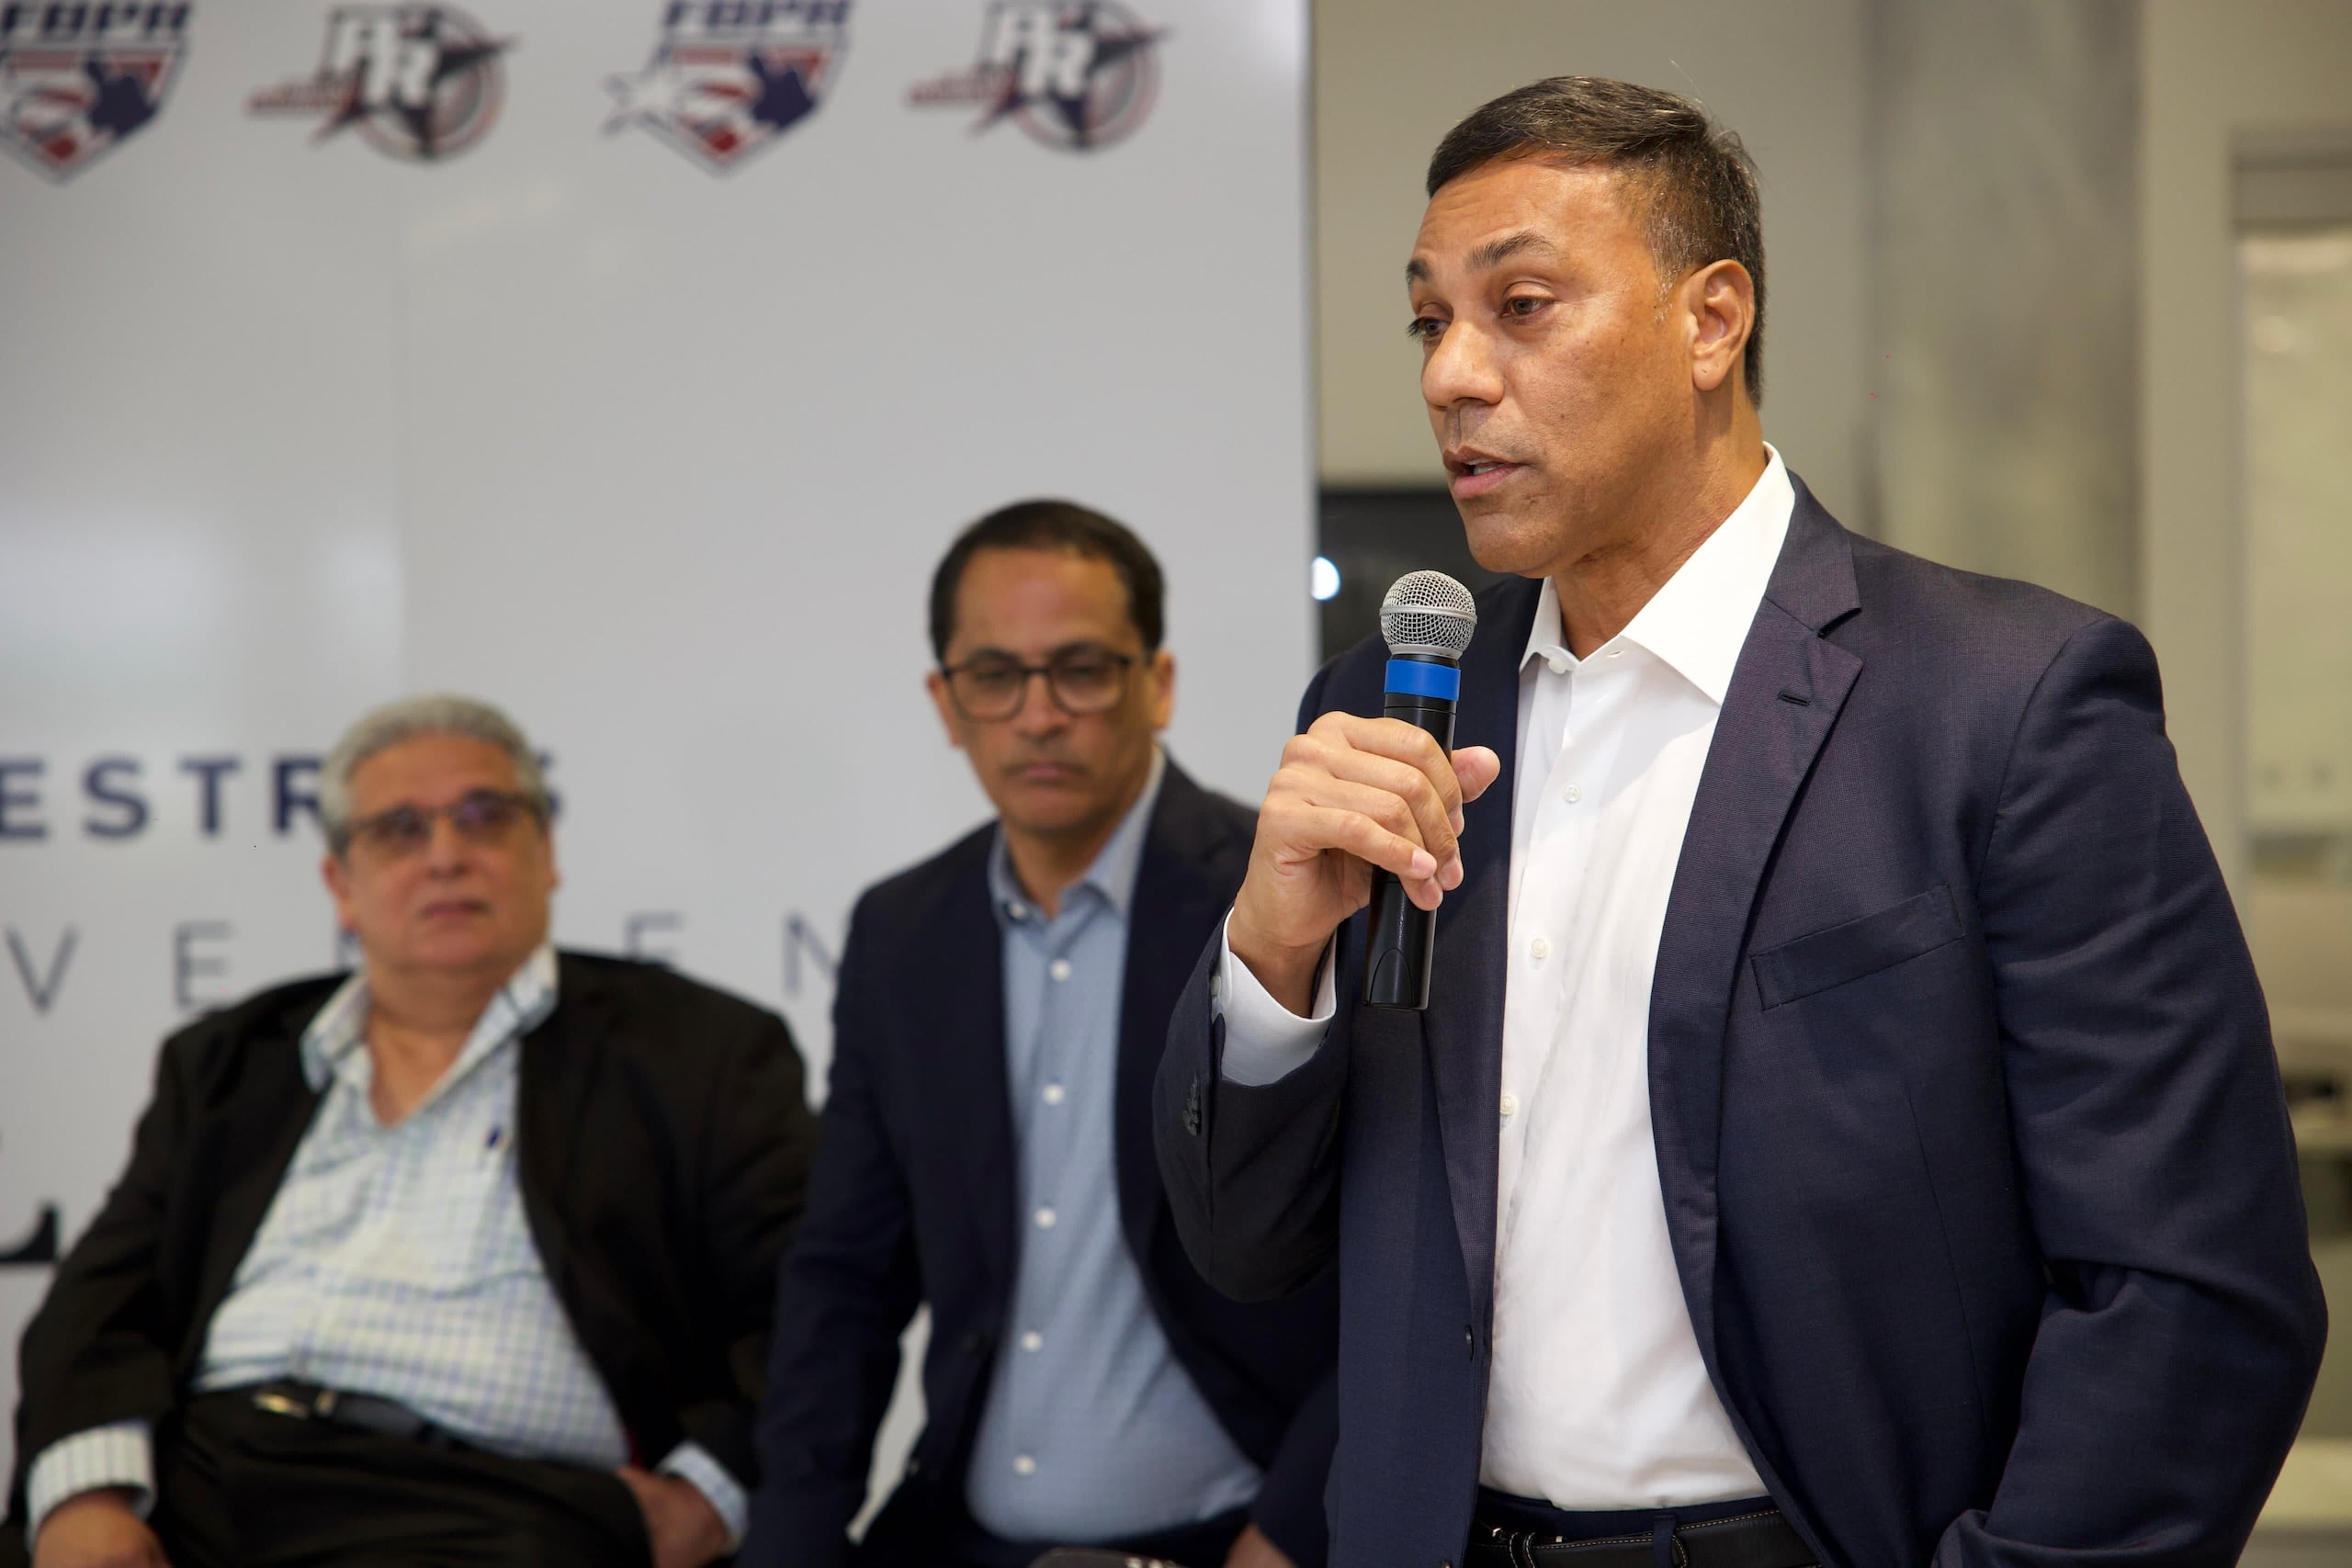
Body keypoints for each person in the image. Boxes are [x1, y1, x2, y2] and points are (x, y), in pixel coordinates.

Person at [1154, 76, 2326, 1568]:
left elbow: (2193, 1289)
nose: (1452, 372)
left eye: (1521, 305)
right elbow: (1249, 1245)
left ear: (1711, 321)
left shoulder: (2002, 700)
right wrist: (1269, 957)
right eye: (1427, 320)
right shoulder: (1395, 714)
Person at [7, 695, 818, 1568]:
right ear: (339, 885)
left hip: (495, 1504)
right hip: (208, 1476)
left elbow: (807, 1310)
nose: (445, 856)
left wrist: (708, 1495)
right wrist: (86, 1497)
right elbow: (98, 1303)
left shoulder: (696, 1051)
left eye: (483, 817)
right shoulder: (232, 1060)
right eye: (398, 829)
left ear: (545, 853)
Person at [747, 502, 1337, 1568]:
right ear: (946, 701)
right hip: (961, 1541)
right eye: (993, 676)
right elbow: (845, 1276)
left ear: (1156, 684)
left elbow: (1406, 1257)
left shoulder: (1289, 899)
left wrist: (1293, 1532)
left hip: (1236, 1542)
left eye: (1080, 669)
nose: (1037, 715)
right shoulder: (902, 933)